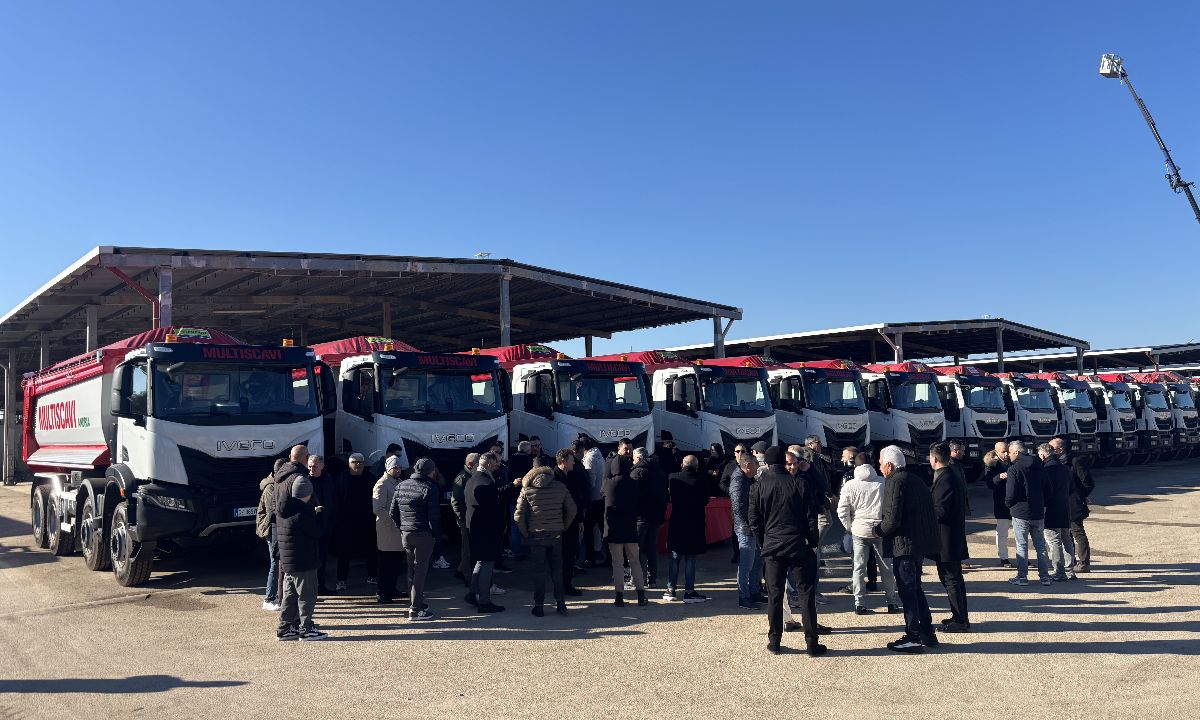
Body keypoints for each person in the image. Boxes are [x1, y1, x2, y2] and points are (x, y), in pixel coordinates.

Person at [750, 446, 827, 657]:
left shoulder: (758, 486)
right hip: (797, 544)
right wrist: (813, 542)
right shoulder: (799, 484)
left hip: (773, 546)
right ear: (784, 463)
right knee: (806, 594)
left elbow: (754, 520)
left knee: (774, 595)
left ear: (767, 464)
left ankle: (774, 641)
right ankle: (811, 643)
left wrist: (762, 543)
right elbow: (811, 517)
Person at [875, 445, 940, 654]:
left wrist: (878, 530)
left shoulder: (895, 481)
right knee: (916, 589)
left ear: (889, 465)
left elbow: (892, 517)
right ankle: (927, 632)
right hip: (918, 544)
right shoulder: (916, 480)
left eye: (881, 463)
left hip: (904, 545)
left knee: (907, 591)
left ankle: (913, 636)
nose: (879, 467)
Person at [836, 462, 901, 615]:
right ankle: (891, 602)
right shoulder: (883, 482)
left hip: (859, 529)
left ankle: (859, 603)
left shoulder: (850, 485)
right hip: (880, 529)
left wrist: (850, 527)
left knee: (859, 568)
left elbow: (842, 510)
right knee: (886, 567)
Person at [515, 460, 576, 616]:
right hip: (556, 533)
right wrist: (564, 526)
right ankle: (561, 603)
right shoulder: (560, 487)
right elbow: (572, 509)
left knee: (539, 571)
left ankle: (539, 606)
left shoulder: (527, 489)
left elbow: (518, 515)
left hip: (536, 534)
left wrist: (525, 532)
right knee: (557, 569)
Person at [466, 452, 522, 613]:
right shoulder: (484, 482)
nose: (499, 465)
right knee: (487, 565)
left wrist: (510, 486)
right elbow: (494, 502)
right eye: (496, 462)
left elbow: (493, 496)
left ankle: (472, 593)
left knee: (481, 562)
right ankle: (484, 602)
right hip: (486, 531)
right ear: (489, 464)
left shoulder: (473, 479)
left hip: (476, 529)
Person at [275, 474, 328, 641]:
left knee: (290, 595)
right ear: (307, 493)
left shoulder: (283, 509)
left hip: (288, 560)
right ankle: (306, 628)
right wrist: (320, 515)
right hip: (304, 560)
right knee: (307, 595)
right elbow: (316, 531)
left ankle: (284, 628)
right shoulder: (302, 512)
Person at [391, 458, 442, 621]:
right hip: (423, 533)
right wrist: (435, 535)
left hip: (406, 533)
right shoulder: (430, 488)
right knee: (420, 571)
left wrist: (402, 528)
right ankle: (416, 608)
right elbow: (434, 517)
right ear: (431, 471)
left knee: (411, 570)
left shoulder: (401, 485)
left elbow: (393, 513)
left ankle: (414, 603)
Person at [929, 442, 970, 632]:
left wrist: (924, 512)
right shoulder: (950, 475)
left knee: (951, 579)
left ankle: (960, 619)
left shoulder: (946, 478)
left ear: (934, 458)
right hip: (950, 537)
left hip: (948, 538)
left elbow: (941, 511)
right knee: (952, 579)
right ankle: (958, 616)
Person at [602, 448, 648, 607]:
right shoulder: (634, 483)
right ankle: (641, 594)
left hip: (613, 529)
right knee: (635, 561)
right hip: (630, 528)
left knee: (617, 563)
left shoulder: (608, 484)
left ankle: (619, 596)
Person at [1004, 440, 1052, 587]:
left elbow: (1010, 492)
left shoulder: (1014, 469)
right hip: (1038, 511)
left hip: (1020, 512)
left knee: (1022, 545)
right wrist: (1043, 503)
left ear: (1016, 452)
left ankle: (1022, 576)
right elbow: (1048, 488)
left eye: (1010, 452)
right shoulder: (1039, 465)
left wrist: (1008, 504)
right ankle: (1045, 577)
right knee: (1040, 545)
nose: (1009, 455)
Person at [664, 455, 710, 603]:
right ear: (696, 466)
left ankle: (670, 589)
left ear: (682, 465)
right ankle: (689, 591)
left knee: (675, 557)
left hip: (677, 522)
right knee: (691, 558)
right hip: (694, 523)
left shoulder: (673, 477)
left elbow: (670, 497)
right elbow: (705, 500)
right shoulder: (702, 480)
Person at [333, 452, 379, 590]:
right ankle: (341, 580)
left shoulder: (371, 478)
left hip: (367, 520)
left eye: (361, 462)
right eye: (355, 462)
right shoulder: (341, 479)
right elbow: (336, 499)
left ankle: (372, 576)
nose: (358, 464)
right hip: (347, 521)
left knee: (371, 549)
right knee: (344, 551)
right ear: (349, 464)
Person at [1051, 437, 1095, 572]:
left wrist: (1081, 496)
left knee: (1077, 532)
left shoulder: (1075, 461)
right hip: (1059, 503)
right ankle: (1070, 562)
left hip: (1073, 503)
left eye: (1052, 448)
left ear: (1060, 449)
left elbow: (1088, 482)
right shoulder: (1053, 462)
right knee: (1065, 534)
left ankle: (1084, 563)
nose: (1050, 451)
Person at [729, 452, 765, 610]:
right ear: (748, 466)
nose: (758, 467)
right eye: (756, 464)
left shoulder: (748, 479)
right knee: (746, 564)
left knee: (756, 562)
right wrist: (752, 525)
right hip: (746, 529)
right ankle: (744, 596)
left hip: (752, 527)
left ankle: (754, 591)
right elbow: (739, 508)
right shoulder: (738, 481)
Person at [372, 456, 408, 604]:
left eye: (399, 467)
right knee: (387, 563)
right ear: (388, 468)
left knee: (396, 562)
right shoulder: (381, 484)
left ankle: (391, 588)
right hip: (388, 530)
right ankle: (382, 592)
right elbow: (378, 509)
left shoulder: (398, 481)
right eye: (395, 467)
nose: (398, 470)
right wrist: (394, 522)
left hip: (398, 529)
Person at [1038, 443, 1076, 582]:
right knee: (1067, 539)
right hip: (1064, 508)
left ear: (1043, 455)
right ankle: (1070, 571)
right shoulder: (1065, 468)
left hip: (1050, 509)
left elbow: (1043, 491)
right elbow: (1072, 489)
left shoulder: (1045, 470)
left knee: (1054, 541)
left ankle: (1059, 572)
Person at [633, 446, 668, 590]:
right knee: (652, 548)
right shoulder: (659, 471)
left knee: (637, 549)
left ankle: (637, 579)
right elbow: (664, 495)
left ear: (638, 458)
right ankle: (652, 579)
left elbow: (633, 497)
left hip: (641, 517)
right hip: (656, 516)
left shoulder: (637, 472)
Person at [256, 458, 287, 612]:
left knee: (278, 563)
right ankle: (269, 598)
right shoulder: (270, 488)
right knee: (275, 563)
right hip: (270, 529)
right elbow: (273, 512)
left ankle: (278, 596)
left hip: (275, 528)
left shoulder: (276, 484)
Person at [561, 442, 591, 596]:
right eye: (571, 460)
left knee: (567, 553)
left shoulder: (568, 474)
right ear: (564, 461)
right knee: (566, 554)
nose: (574, 462)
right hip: (565, 522)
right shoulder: (563, 477)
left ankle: (564, 584)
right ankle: (564, 586)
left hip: (568, 520)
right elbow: (579, 497)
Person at [307, 454, 338, 595]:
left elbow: (333, 500)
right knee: (311, 558)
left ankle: (321, 585)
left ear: (322, 466)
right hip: (311, 527)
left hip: (326, 525)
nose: (311, 469)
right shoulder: (305, 481)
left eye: (314, 466)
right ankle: (311, 588)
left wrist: (332, 519)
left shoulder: (328, 480)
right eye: (309, 467)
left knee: (323, 557)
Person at [450, 453, 481, 586]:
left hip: (472, 517)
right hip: (466, 519)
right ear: (470, 464)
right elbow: (456, 500)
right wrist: (462, 519)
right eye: (478, 463)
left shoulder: (472, 475)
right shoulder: (462, 478)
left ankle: (460, 570)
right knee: (468, 548)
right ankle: (467, 575)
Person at [982, 441, 1012, 567]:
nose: (1006, 454)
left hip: (1016, 501)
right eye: (1003, 452)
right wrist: (999, 477)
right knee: (1002, 531)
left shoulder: (1013, 461)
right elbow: (989, 484)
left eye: (1007, 451)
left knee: (1021, 532)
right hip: (1001, 501)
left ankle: (1023, 557)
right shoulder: (991, 464)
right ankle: (1003, 557)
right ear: (996, 452)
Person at [580, 435, 607, 567]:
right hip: (601, 497)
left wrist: (584, 495)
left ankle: (590, 558)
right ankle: (606, 556)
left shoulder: (589, 458)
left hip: (593, 499)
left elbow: (590, 481)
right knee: (601, 528)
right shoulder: (599, 456)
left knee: (589, 530)